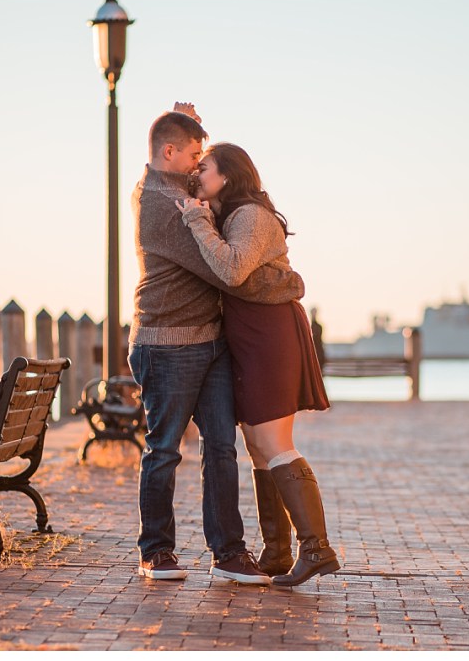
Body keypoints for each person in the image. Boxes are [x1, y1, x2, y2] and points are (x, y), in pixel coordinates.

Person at [130, 107, 306, 585]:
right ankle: (156, 552)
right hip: (166, 345)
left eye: (198, 158)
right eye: (190, 155)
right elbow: (227, 273)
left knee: (222, 449)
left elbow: (217, 175)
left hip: (211, 342)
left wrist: (182, 117)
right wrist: (284, 280)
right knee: (164, 450)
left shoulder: (179, 188)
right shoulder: (159, 206)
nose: (196, 164)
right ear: (169, 153)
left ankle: (228, 553)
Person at [177, 142, 340, 587]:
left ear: (227, 175)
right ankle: (277, 551)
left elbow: (231, 271)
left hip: (270, 334)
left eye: (204, 168)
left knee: (273, 440)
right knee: (256, 443)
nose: (196, 175)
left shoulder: (249, 215)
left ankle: (316, 548)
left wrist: (195, 220)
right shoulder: (231, 215)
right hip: (250, 335)